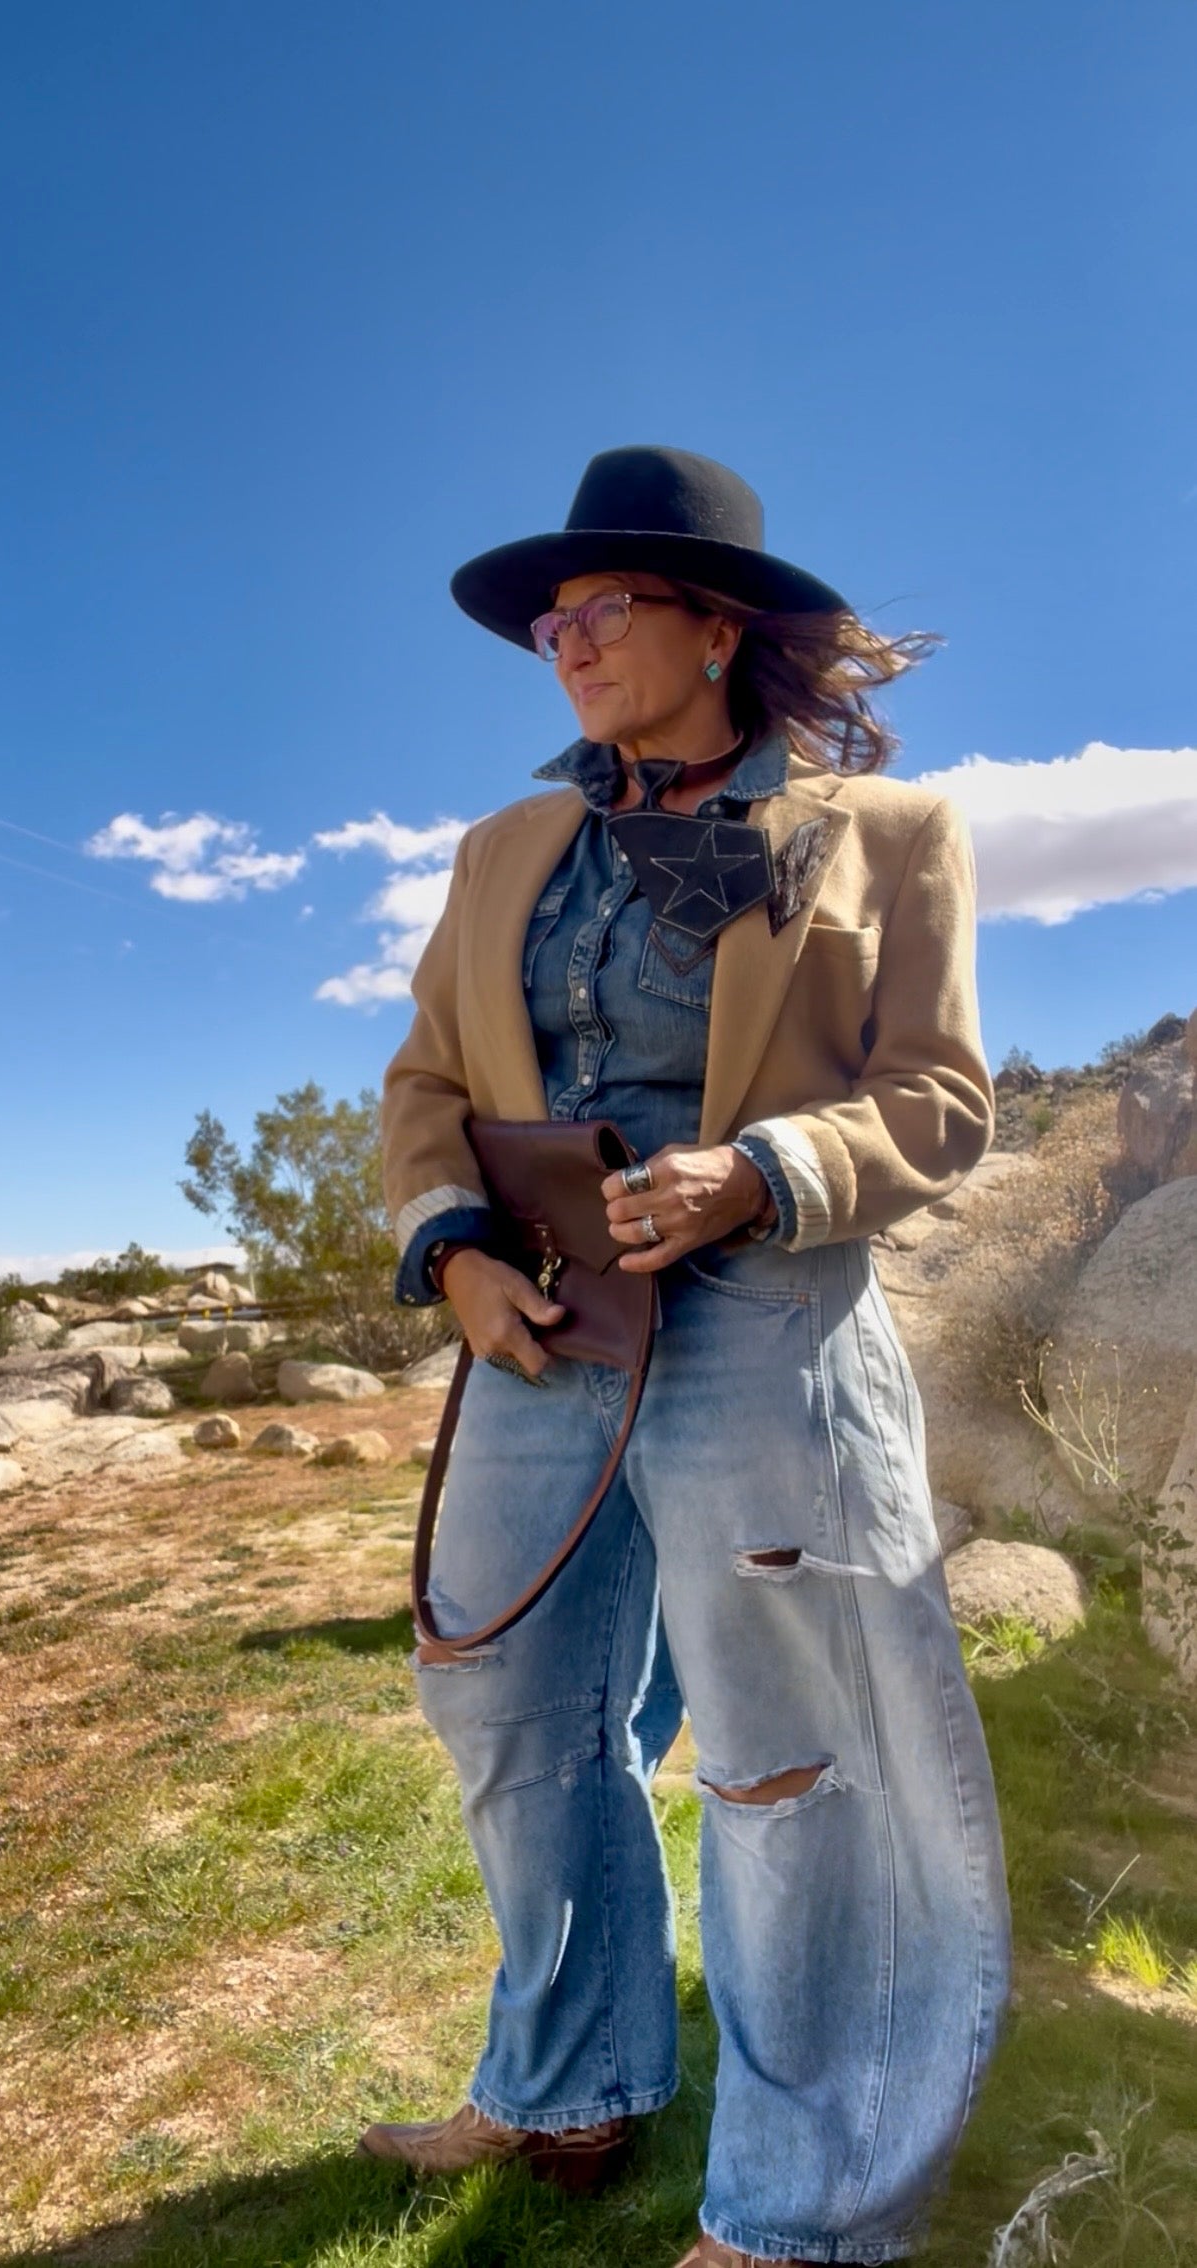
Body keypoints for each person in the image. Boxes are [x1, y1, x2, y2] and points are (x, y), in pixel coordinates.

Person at [366, 446, 1010, 2267]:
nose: (562, 643)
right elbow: (424, 1087)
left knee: (789, 1761)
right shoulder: (503, 849)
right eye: (547, 625)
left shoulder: (889, 837)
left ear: (716, 625)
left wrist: (768, 1169)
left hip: (768, 1317)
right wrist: (454, 1255)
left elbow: (946, 1099)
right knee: (499, 1700)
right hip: (539, 1319)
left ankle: (804, 2205)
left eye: (599, 611)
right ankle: (566, 2084)